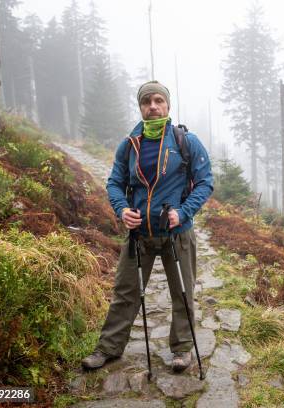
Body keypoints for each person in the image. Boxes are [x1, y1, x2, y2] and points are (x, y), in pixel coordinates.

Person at [81, 80, 214, 373]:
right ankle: (108, 348)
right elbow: (115, 183)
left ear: (167, 105)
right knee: (125, 292)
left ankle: (181, 349)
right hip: (139, 235)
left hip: (177, 234)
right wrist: (123, 209)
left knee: (182, 292)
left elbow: (205, 182)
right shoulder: (130, 144)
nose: (152, 106)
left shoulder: (185, 142)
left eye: (158, 101)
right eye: (146, 102)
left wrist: (184, 212)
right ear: (140, 107)